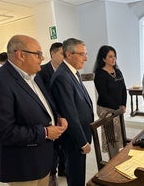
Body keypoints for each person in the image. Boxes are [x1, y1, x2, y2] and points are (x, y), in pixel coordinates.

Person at [0, 34, 68, 186]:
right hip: (23, 166)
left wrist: (57, 117)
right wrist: (45, 132)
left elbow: (44, 104)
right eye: (38, 54)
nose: (43, 57)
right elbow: (3, 132)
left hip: (43, 159)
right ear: (21, 55)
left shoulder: (35, 75)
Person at [50, 38, 94, 186]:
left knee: (79, 171)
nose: (86, 58)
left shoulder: (73, 72)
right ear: (69, 54)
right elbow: (69, 114)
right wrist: (82, 142)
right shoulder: (62, 76)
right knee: (75, 174)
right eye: (82, 54)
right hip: (74, 138)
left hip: (81, 131)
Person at [38, 42, 66, 186]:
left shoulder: (65, 70)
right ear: (53, 53)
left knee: (63, 145)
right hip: (51, 115)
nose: (64, 56)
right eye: (62, 53)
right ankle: (52, 174)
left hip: (64, 115)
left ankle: (62, 168)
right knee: (53, 147)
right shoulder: (41, 71)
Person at [93, 45, 127, 153]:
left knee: (119, 132)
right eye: (110, 56)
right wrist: (117, 108)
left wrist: (123, 104)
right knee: (110, 134)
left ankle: (118, 154)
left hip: (117, 108)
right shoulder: (99, 74)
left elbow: (123, 89)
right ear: (103, 59)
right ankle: (112, 156)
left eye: (115, 56)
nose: (114, 59)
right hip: (106, 108)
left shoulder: (118, 71)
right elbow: (103, 94)